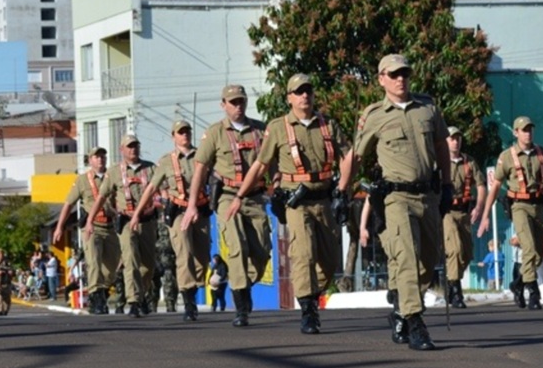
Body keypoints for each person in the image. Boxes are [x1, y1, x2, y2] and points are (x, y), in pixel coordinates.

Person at [229, 74, 352, 334]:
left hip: (325, 199)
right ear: (289, 98)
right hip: (297, 202)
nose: (304, 96)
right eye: (298, 92)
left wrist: (344, 190)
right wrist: (239, 195)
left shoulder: (328, 124)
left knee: (330, 262)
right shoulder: (278, 127)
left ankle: (311, 293)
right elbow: (260, 165)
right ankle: (308, 309)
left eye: (308, 90)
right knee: (303, 254)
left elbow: (347, 156)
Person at [346, 54, 452, 351]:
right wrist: (342, 191)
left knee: (428, 262)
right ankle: (417, 323)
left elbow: (442, 146)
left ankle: (401, 312)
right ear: (381, 79)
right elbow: (355, 156)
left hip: (428, 195)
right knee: (405, 257)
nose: (400, 78)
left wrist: (447, 185)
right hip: (395, 198)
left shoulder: (427, 107)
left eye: (404, 73)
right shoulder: (374, 115)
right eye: (393, 74)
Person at [181, 85, 272, 328]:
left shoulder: (261, 130)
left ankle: (246, 283)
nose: (237, 106)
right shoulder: (214, 133)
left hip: (254, 197)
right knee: (236, 246)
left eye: (241, 101)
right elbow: (200, 168)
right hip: (226, 197)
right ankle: (241, 306)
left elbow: (271, 161)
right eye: (232, 102)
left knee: (263, 249)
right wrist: (191, 205)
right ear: (223, 104)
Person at [478, 116, 543, 310]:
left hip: (538, 207)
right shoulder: (507, 156)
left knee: (538, 254)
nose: (528, 133)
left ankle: (517, 284)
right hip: (519, 206)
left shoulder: (541, 153)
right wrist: (485, 215)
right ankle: (534, 293)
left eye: (530, 129)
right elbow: (496, 186)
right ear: (516, 133)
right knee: (528, 247)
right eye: (524, 130)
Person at [129, 120, 209, 321]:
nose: (185, 136)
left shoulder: (202, 155)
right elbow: (151, 188)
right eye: (180, 133)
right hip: (178, 212)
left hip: (199, 209)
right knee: (184, 252)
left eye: (187, 132)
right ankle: (189, 302)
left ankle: (195, 283)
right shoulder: (166, 161)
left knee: (202, 255)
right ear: (173, 136)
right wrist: (138, 213)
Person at [86, 135, 157, 318]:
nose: (133, 149)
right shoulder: (115, 172)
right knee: (131, 259)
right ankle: (133, 301)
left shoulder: (151, 168)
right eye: (129, 146)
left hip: (147, 221)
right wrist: (89, 221)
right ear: (122, 150)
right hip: (126, 222)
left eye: (135, 146)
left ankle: (140, 295)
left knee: (148, 265)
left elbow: (162, 188)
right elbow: (101, 197)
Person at [52, 147, 119, 315]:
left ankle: (103, 293)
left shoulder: (114, 176)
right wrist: (59, 226)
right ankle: (96, 299)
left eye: (103, 156)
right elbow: (68, 203)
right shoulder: (82, 181)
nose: (101, 159)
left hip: (111, 226)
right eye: (96, 157)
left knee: (112, 267)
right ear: (90, 160)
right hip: (92, 227)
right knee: (94, 262)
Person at [444, 126, 485, 309]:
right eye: (452, 138)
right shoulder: (438, 162)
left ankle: (451, 282)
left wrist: (479, 207)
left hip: (464, 212)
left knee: (467, 253)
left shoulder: (469, 162)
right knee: (455, 249)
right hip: (445, 212)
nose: (455, 141)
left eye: (458, 138)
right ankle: (455, 290)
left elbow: (482, 186)